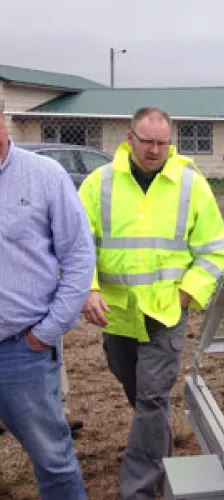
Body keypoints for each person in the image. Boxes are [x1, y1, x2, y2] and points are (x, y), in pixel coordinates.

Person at [79, 107, 224, 499]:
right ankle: (160, 451)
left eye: (162, 142)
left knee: (151, 397)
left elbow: (214, 250)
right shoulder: (99, 184)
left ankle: (139, 490)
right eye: (147, 141)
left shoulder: (190, 184)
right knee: (141, 395)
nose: (155, 150)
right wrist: (90, 289)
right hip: (117, 315)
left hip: (166, 313)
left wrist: (187, 293)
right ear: (130, 138)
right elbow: (77, 246)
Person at [0, 99, 94, 499]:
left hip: (23, 350)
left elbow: (78, 255)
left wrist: (48, 330)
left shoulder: (44, 175)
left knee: (53, 459)